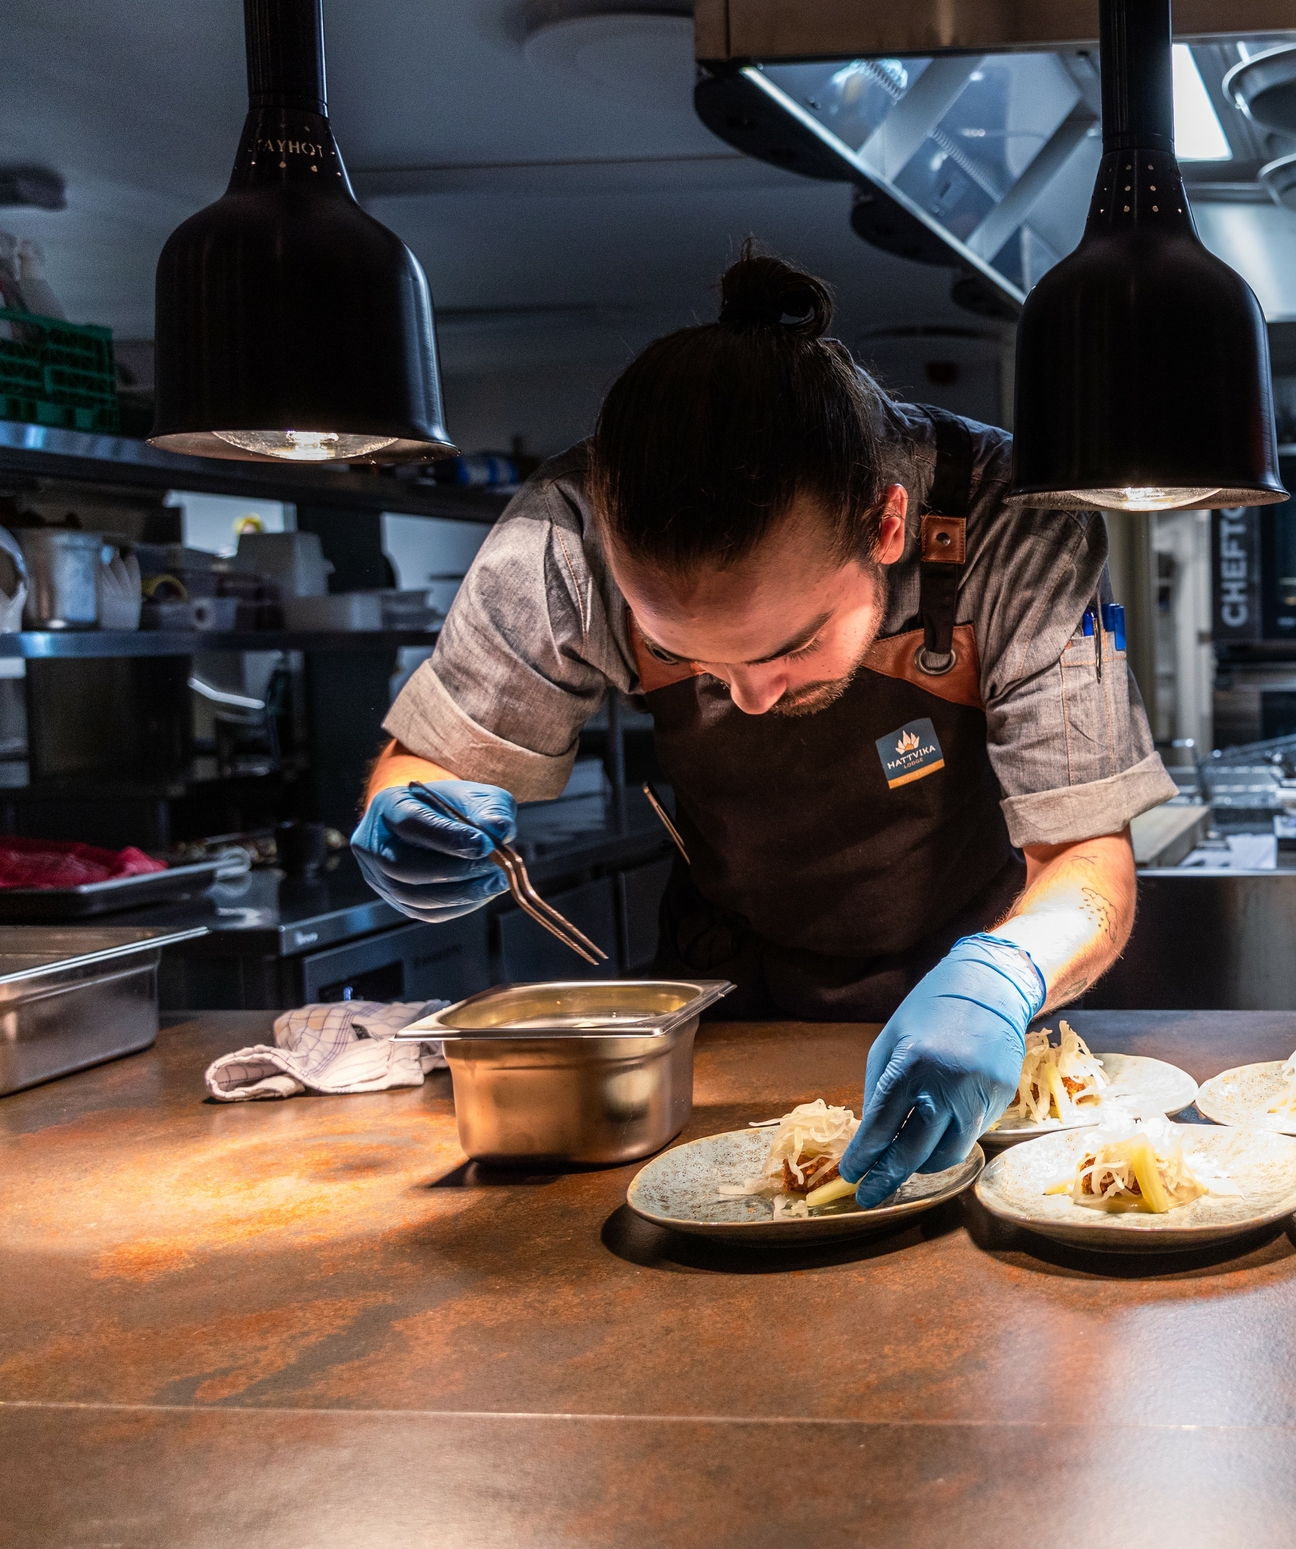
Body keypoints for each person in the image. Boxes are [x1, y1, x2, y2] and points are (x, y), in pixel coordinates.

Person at [351, 251, 1175, 1202]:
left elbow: (1086, 857)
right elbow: (425, 765)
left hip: (975, 1006)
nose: (747, 696)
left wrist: (1002, 978)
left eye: (790, 645)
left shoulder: (1010, 518)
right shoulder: (565, 532)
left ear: (888, 526)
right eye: (692, 658)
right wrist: (413, 816)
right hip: (722, 1019)